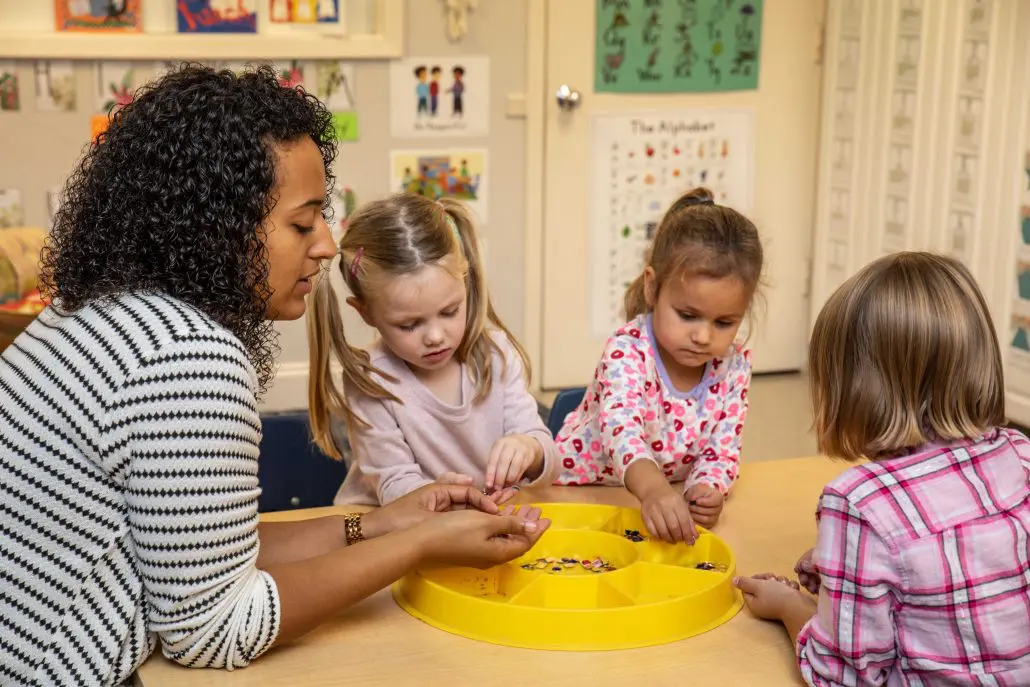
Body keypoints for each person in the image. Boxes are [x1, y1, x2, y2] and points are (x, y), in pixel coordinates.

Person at [0, 64, 549, 686]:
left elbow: (201, 548)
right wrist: (417, 546)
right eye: (302, 222)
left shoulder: (101, 315)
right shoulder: (183, 355)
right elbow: (212, 629)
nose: (326, 246)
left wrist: (378, 523)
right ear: (218, 228)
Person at [735, 253, 1030, 686]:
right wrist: (843, 564)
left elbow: (845, 678)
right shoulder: (1019, 452)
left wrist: (788, 607)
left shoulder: (860, 503)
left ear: (853, 391)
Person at [307, 193, 558, 506]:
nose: (436, 337)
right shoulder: (371, 380)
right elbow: (394, 484)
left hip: (472, 523)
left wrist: (529, 448)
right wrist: (434, 493)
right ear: (365, 313)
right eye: (409, 325)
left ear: (466, 284)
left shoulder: (498, 356)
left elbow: (548, 458)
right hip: (388, 529)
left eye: (450, 311)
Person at [554, 187, 762, 544]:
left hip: (662, 504)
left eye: (724, 323)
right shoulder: (627, 350)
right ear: (652, 287)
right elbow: (623, 433)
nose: (702, 336)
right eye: (688, 315)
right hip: (585, 494)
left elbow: (722, 448)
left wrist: (707, 488)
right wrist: (652, 490)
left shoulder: (734, 365)